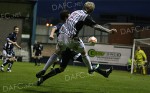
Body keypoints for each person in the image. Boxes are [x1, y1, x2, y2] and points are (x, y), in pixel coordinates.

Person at [36, 1, 117, 85]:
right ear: (89, 9)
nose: (69, 15)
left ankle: (44, 71)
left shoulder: (75, 12)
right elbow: (96, 26)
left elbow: (57, 27)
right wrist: (109, 31)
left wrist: (52, 35)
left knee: (60, 64)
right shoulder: (85, 16)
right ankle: (91, 69)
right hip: (70, 42)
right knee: (84, 54)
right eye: (92, 10)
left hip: (62, 40)